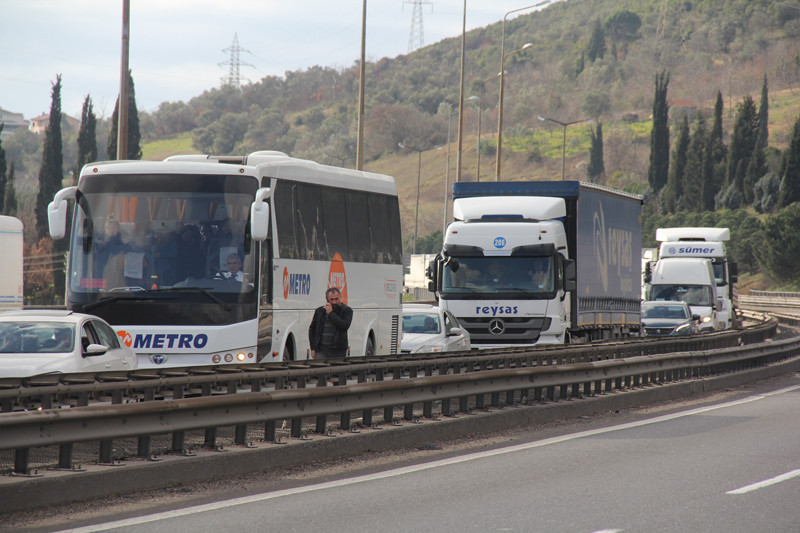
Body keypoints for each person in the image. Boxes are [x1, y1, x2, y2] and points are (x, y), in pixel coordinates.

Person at [308, 287, 352, 360]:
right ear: (327, 299)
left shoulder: (346, 310)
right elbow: (312, 329)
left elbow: (345, 325)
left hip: (338, 351)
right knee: (321, 370)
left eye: (336, 299)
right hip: (321, 350)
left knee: (337, 370)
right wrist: (313, 348)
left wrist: (331, 314)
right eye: (331, 299)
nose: (334, 302)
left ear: (340, 298)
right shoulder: (319, 311)